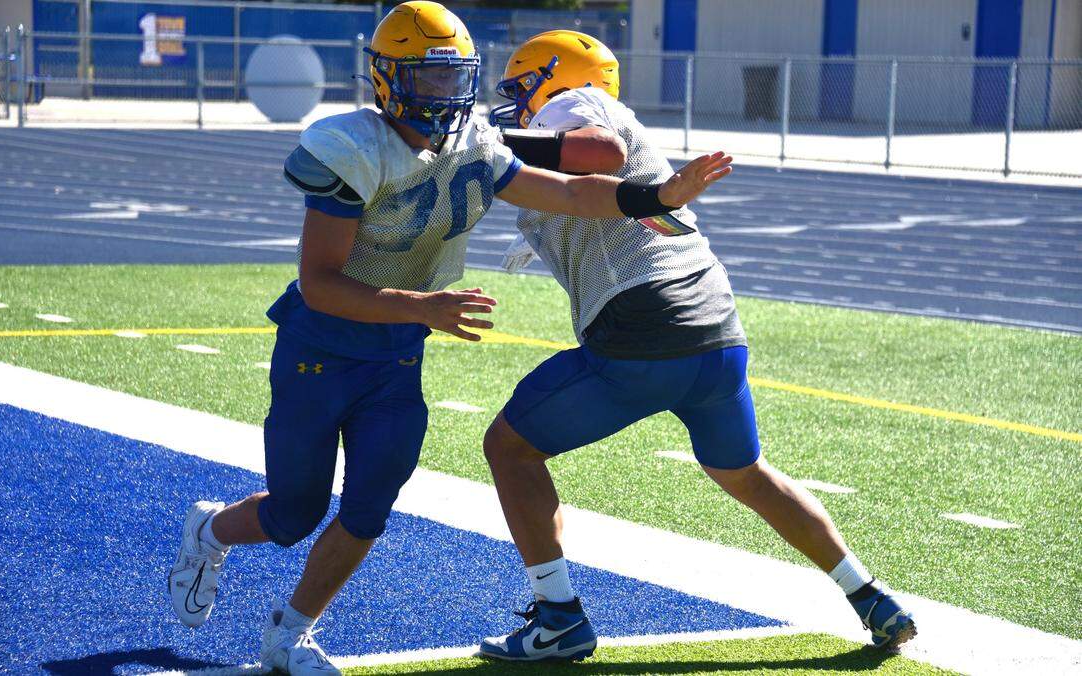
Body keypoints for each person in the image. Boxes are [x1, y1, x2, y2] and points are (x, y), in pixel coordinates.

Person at [165, 5, 735, 674]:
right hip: (320, 350)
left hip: (397, 357)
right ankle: (208, 531)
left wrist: (656, 195)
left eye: (451, 78)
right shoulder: (348, 145)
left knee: (368, 510)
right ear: (388, 79)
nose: (442, 94)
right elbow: (319, 283)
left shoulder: (475, 143)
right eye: (427, 78)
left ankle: (289, 637)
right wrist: (424, 304)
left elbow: (573, 193)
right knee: (295, 513)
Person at [478, 30, 916, 663]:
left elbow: (594, 152)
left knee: (510, 448)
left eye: (523, 89)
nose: (518, 106)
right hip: (717, 331)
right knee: (745, 472)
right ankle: (869, 594)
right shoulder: (591, 123)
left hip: (643, 328)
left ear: (557, 77)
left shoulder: (572, 107)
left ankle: (558, 617)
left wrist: (487, 143)